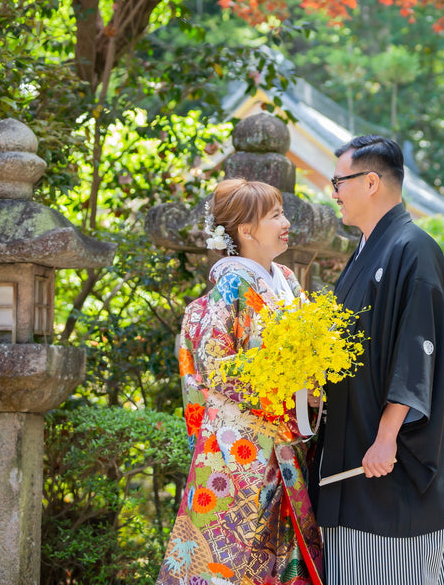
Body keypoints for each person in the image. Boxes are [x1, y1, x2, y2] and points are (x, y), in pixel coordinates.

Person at [314, 135, 444, 585]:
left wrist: (386, 437)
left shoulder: (414, 248)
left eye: (338, 181)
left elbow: (416, 349)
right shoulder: (364, 251)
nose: (334, 192)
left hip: (387, 456)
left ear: (370, 182)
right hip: (350, 449)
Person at [158, 178, 324, 585]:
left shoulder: (285, 278)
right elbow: (214, 368)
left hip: (286, 443)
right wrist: (283, 377)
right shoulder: (231, 286)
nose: (286, 222)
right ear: (246, 231)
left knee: (280, 559)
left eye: (282, 212)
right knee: (228, 563)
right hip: (239, 452)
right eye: (275, 216)